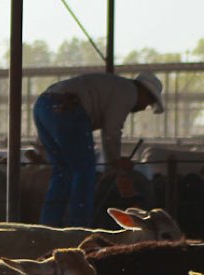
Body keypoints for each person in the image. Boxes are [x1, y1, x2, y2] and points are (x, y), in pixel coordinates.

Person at [32, 71, 165, 227]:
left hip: (44, 106)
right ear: (144, 91)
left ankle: (49, 225)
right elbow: (112, 129)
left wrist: (112, 163)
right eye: (148, 101)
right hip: (69, 108)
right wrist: (115, 162)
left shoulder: (114, 86)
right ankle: (79, 228)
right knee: (84, 171)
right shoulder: (128, 92)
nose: (144, 107)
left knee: (62, 172)